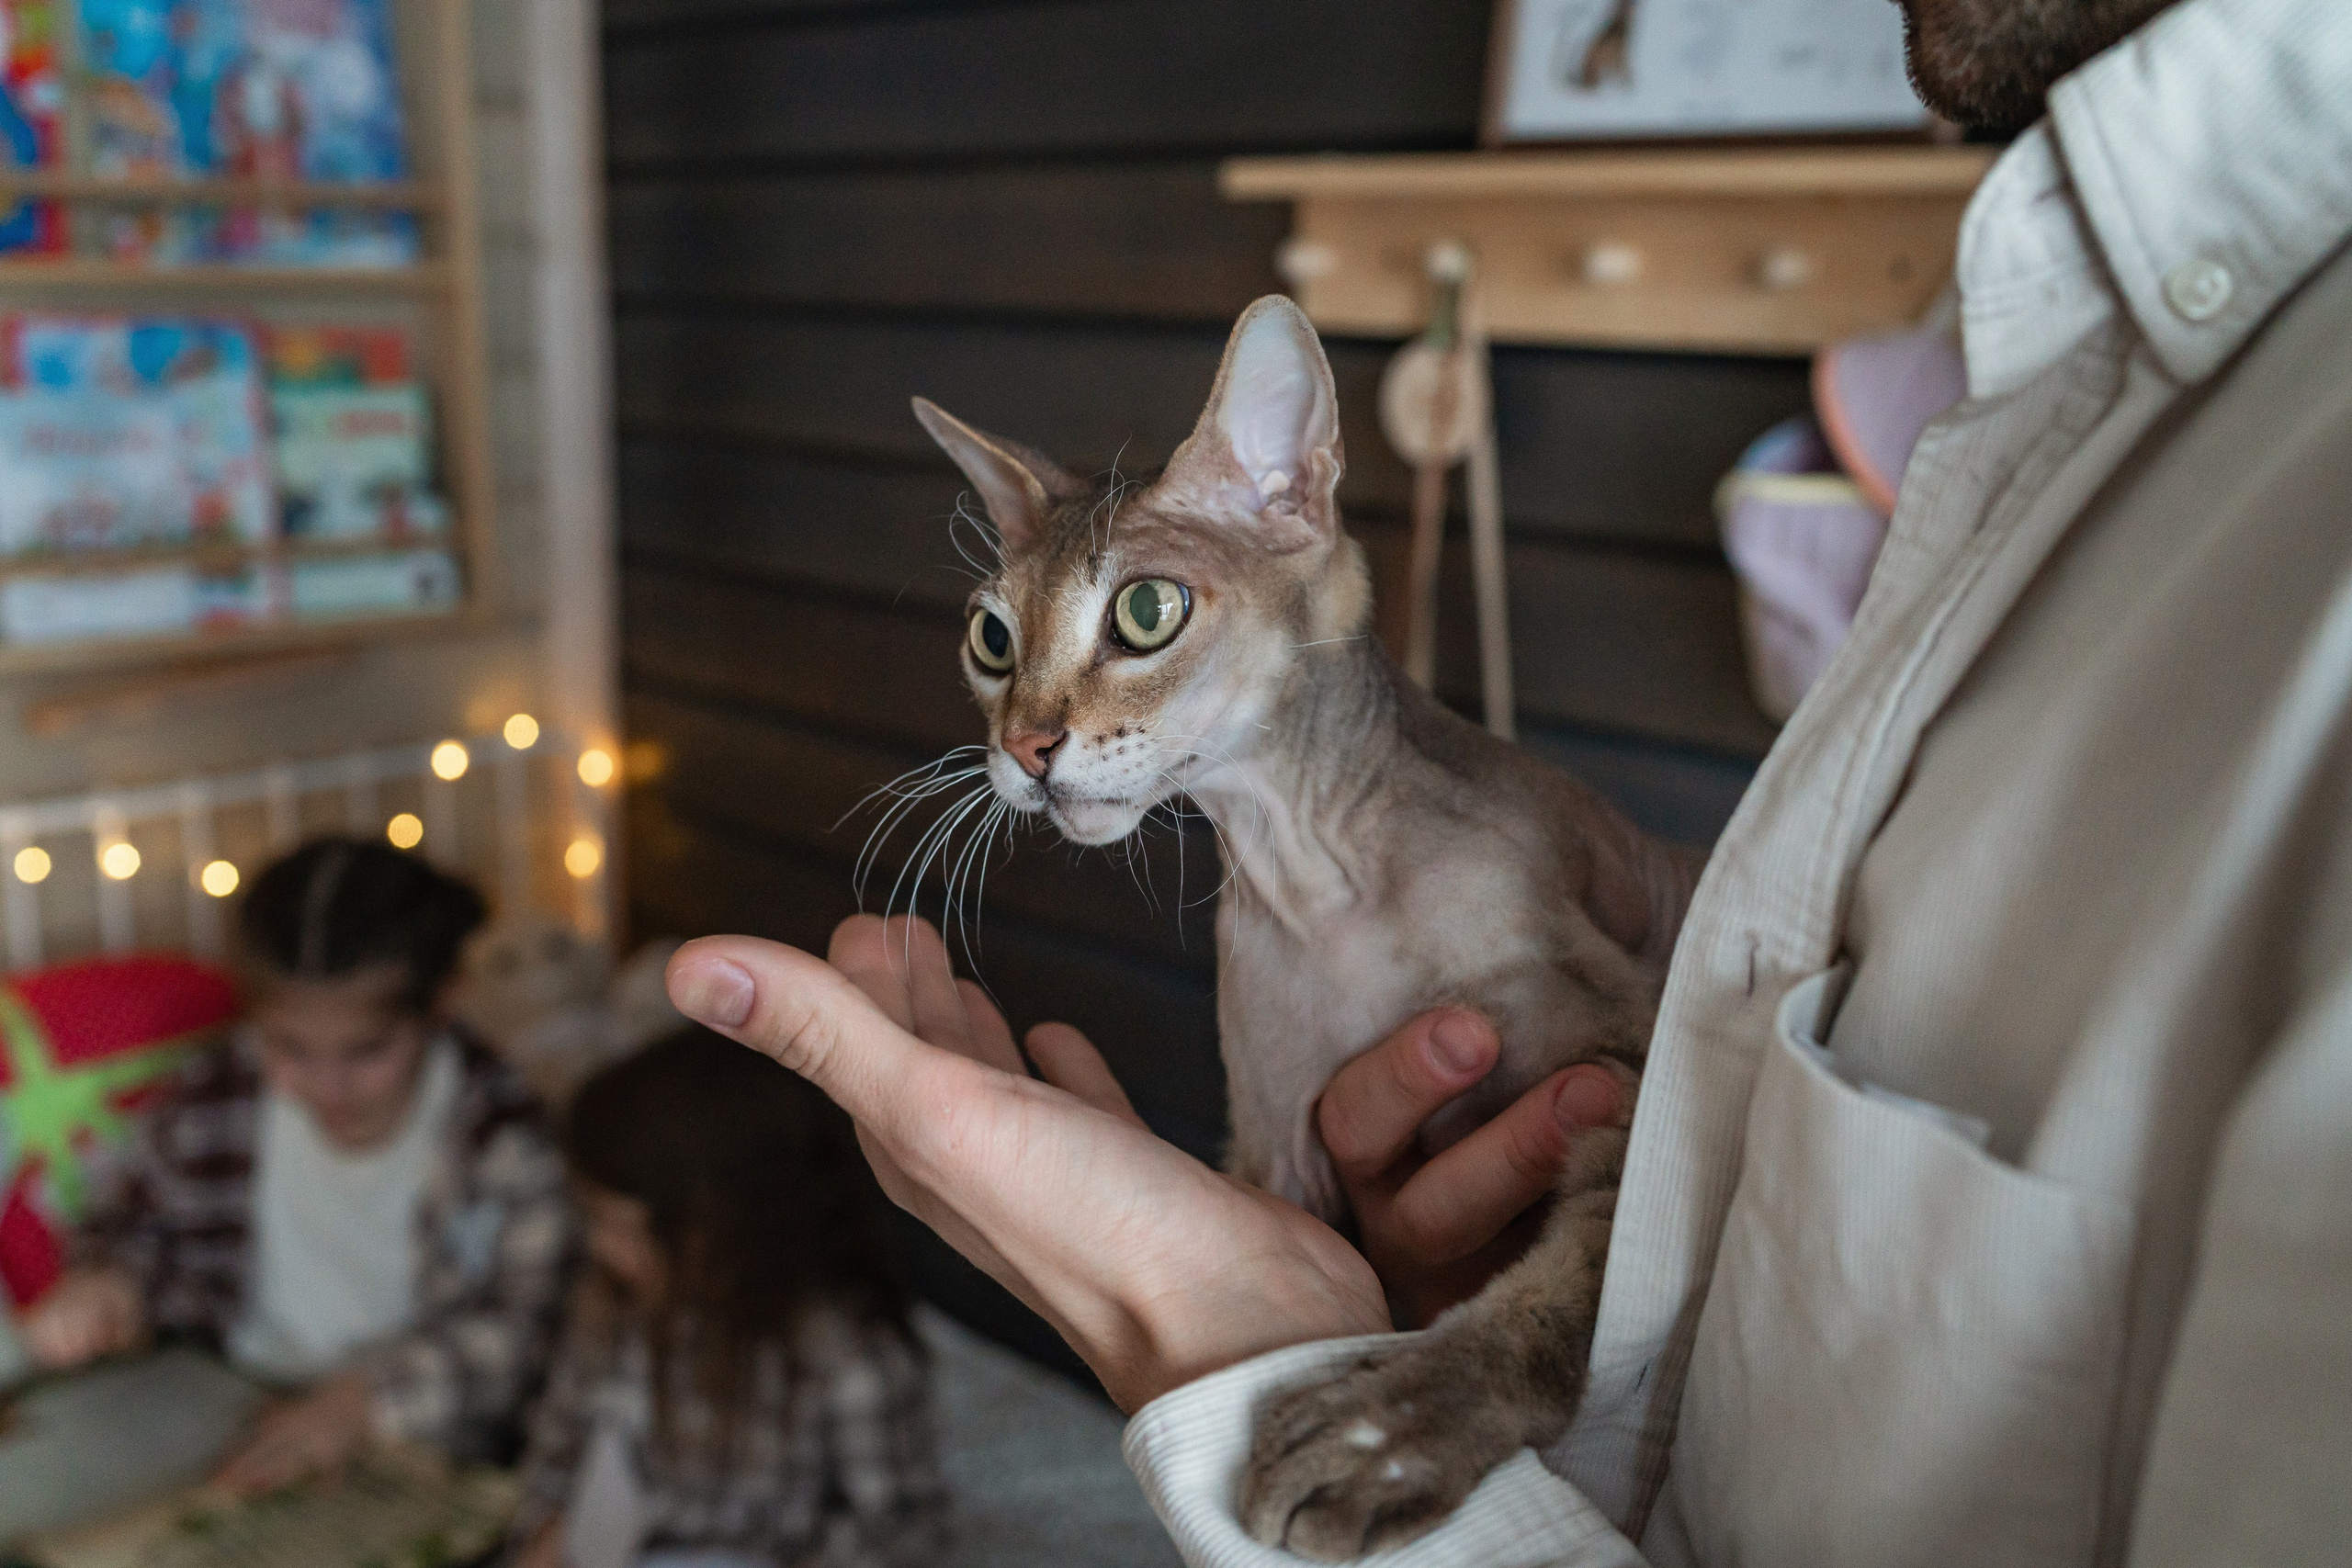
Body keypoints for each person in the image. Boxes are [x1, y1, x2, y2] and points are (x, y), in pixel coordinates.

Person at [663, 0, 2352, 1561]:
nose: (1033, 725)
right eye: (1000, 649)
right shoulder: (1255, 916)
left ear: (1291, 500)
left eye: (1142, 618)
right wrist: (1319, 1303)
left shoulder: (1480, 857)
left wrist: (1294, 1349)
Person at [19, 837, 571, 1493]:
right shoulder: (216, 1099)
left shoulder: (501, 1137)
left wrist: (360, 1403)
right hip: (233, 1399)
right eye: (290, 1048)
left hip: (412, 1434)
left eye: (365, 1051)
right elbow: (134, 1228)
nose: (327, 1085)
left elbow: (518, 1328)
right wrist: (111, 1288)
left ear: (442, 1002)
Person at [507, 1028, 945, 1568]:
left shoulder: (848, 1358)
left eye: (622, 1227)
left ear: (724, 1229)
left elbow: (898, 1539)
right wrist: (546, 1531)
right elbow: (557, 1453)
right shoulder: (610, 1310)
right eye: (593, 1219)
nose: (598, 1245)